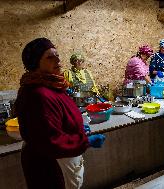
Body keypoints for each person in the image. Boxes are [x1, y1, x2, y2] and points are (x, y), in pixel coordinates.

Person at [15, 38, 105, 189]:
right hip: (50, 165)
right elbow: (50, 140)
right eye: (50, 57)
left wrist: (78, 130)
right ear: (35, 63)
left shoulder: (52, 85)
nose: (58, 60)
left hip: (61, 157)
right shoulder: (37, 94)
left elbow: (59, 119)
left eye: (57, 55)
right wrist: (85, 141)